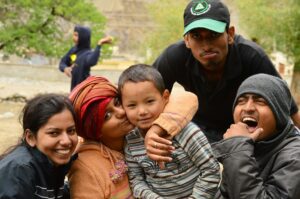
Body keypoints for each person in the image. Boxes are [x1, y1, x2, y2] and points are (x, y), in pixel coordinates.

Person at [151, 0, 300, 143]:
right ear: (187, 40)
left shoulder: (252, 56)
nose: (206, 45)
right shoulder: (174, 57)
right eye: (196, 36)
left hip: (245, 130)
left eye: (213, 35)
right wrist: (151, 133)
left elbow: (287, 108)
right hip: (197, 131)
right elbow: (145, 94)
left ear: (230, 34)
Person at [67, 76, 198, 198]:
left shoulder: (140, 124)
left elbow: (187, 98)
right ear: (94, 130)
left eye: (117, 102)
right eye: (107, 115)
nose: (121, 112)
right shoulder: (85, 168)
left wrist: (155, 130)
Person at [118, 64, 220, 198]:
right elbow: (136, 181)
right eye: (132, 105)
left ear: (165, 97)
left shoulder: (186, 131)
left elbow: (211, 170)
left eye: (149, 101)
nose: (142, 111)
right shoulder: (131, 140)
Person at [212, 74, 300, 198]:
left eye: (260, 101)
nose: (248, 108)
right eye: (241, 101)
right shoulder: (248, 145)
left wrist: (237, 148)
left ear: (279, 112)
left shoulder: (295, 156)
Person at [0, 93, 78, 199]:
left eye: (71, 131)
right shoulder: (19, 171)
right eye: (54, 133)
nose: (66, 141)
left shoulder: (51, 165)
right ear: (31, 137)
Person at [59, 25, 112, 90]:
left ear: (83, 37)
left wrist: (99, 45)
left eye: (76, 35)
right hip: (74, 89)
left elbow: (92, 61)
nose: (73, 38)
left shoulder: (87, 53)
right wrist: (65, 68)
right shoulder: (73, 50)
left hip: (84, 89)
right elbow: (62, 62)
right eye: (73, 35)